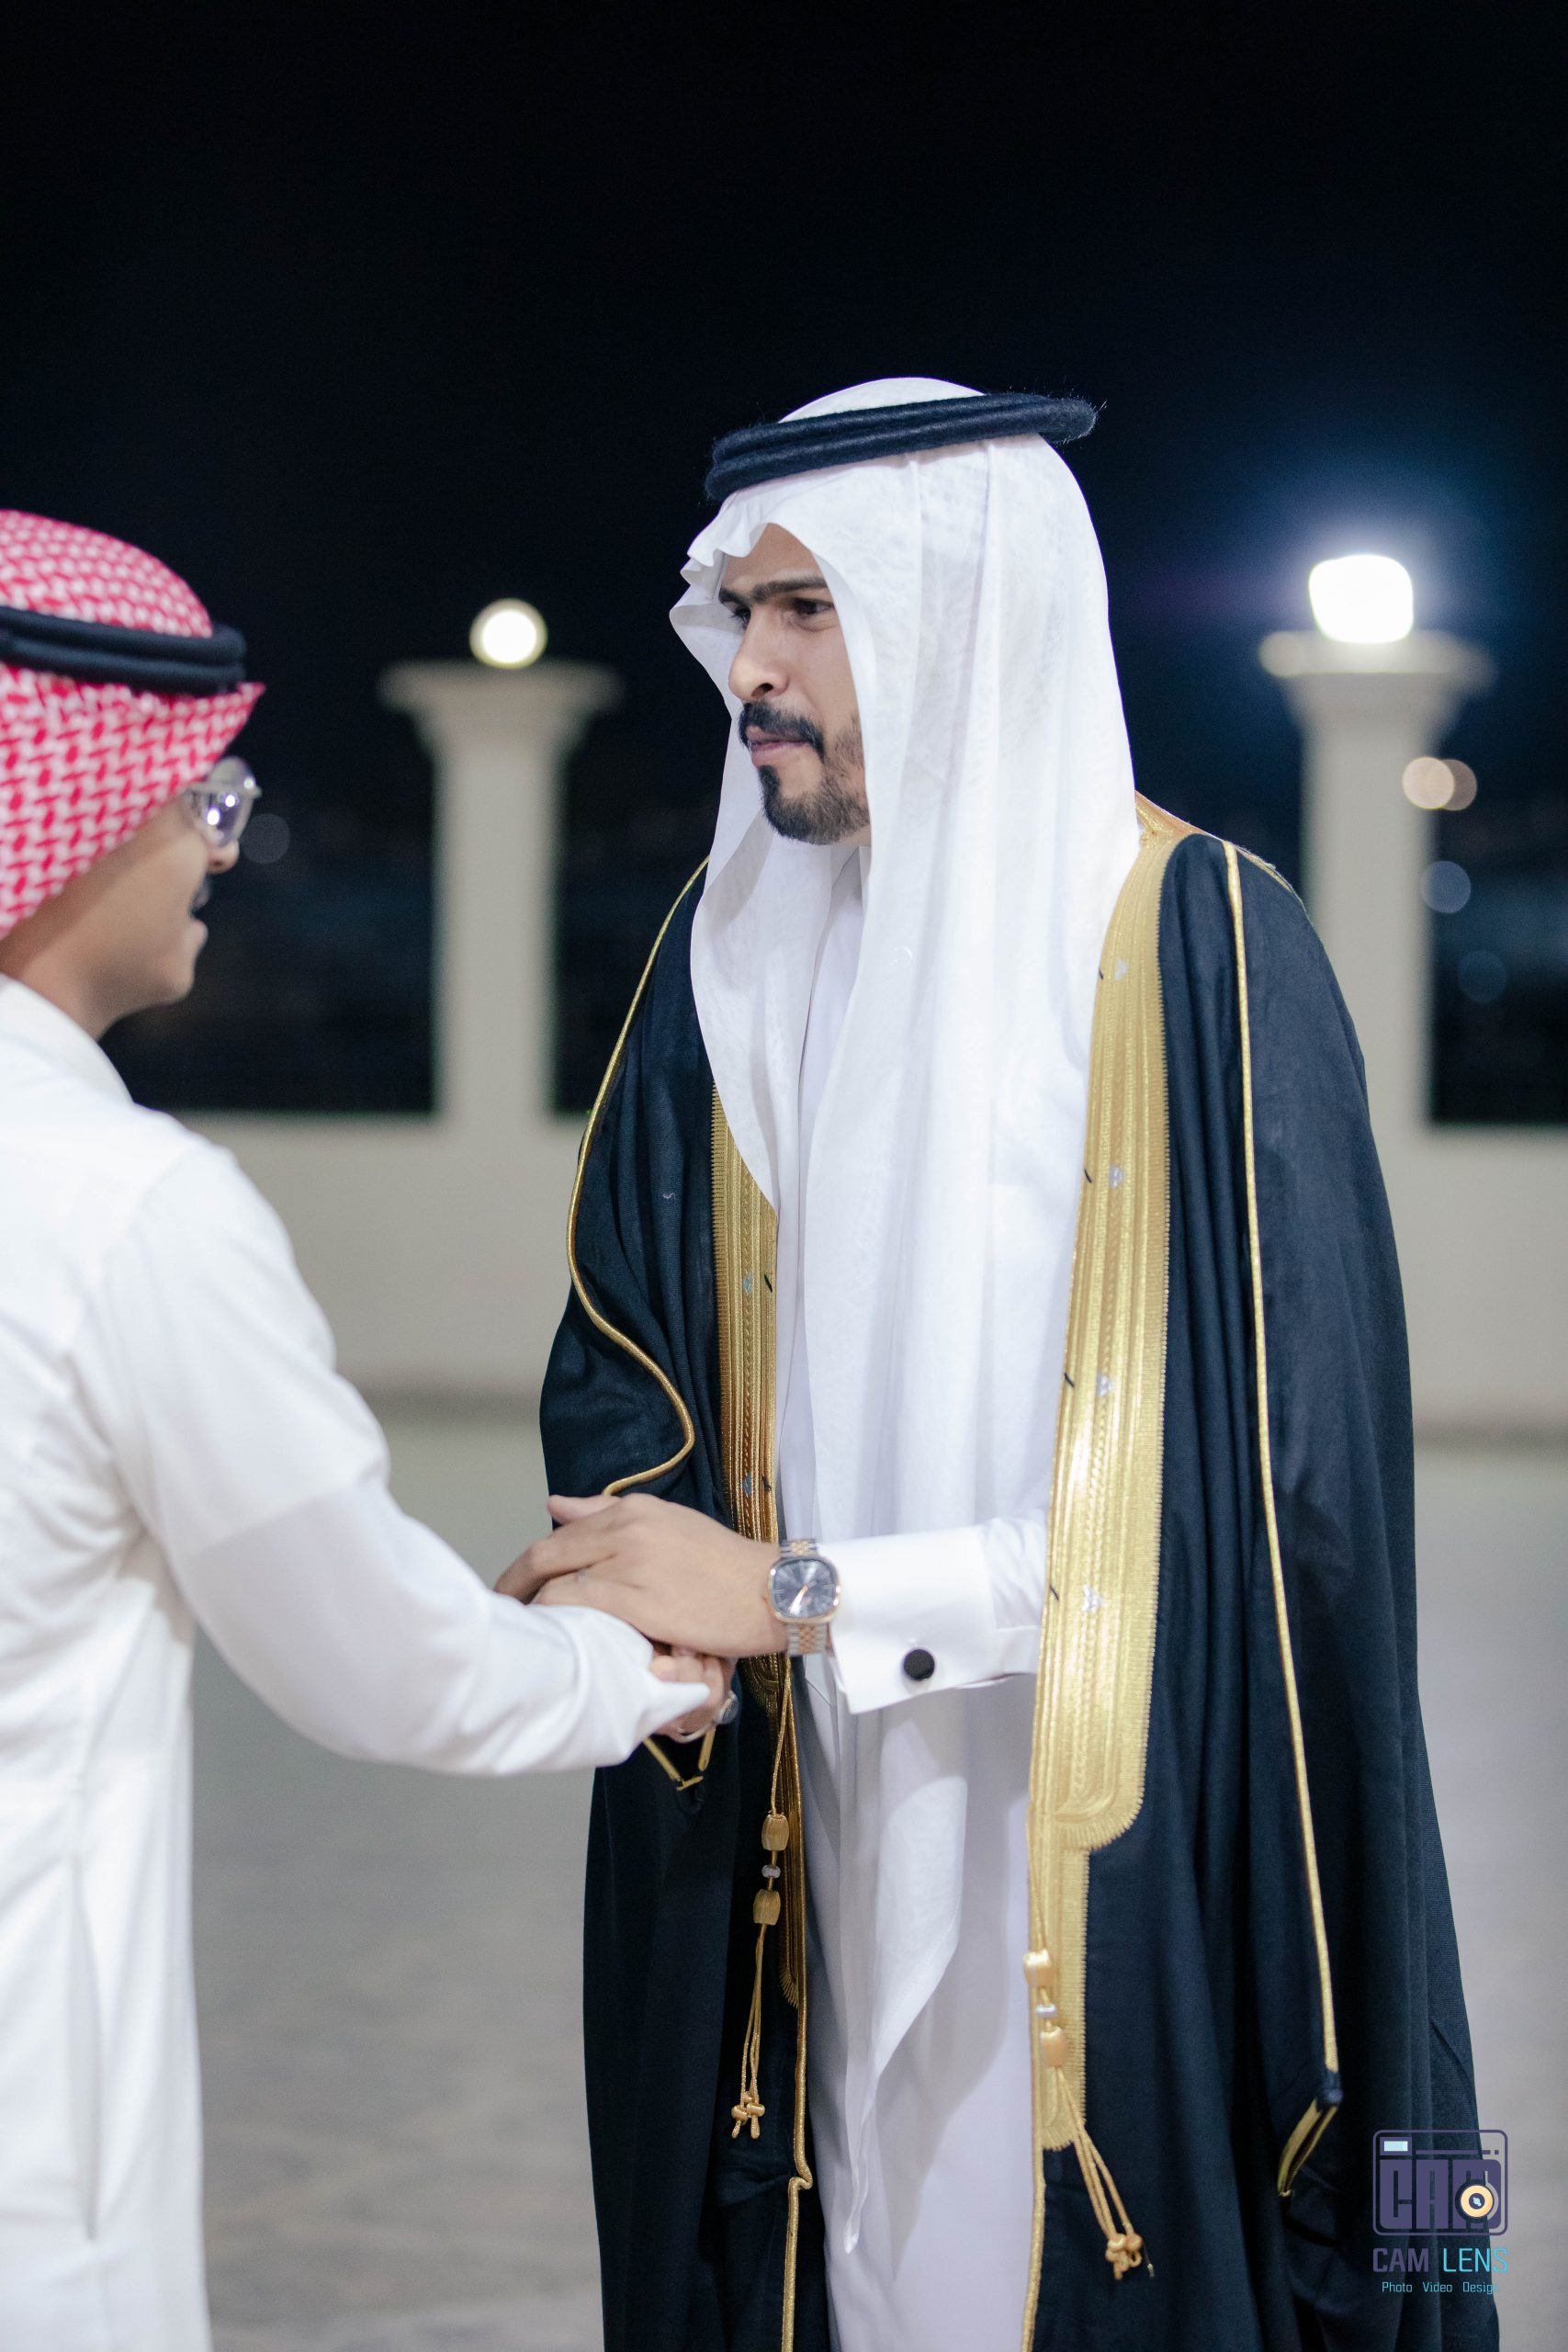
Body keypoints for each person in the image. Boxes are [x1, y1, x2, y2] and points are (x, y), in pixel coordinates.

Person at [511, 381, 1495, 2350]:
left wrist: (796, 1593)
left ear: (963, 616)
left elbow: (1262, 1528)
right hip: (803, 1838)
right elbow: (630, 1365)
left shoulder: (1198, 948)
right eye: (741, 611)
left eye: (810, 610)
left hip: (1122, 1859)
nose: (752, 670)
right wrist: (629, 1583)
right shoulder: (726, 966)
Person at [0, 509, 723, 2352]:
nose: (216, 847)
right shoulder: (121, 1210)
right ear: (68, 810)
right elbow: (376, 1662)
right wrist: (629, 1668)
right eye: (200, 794)